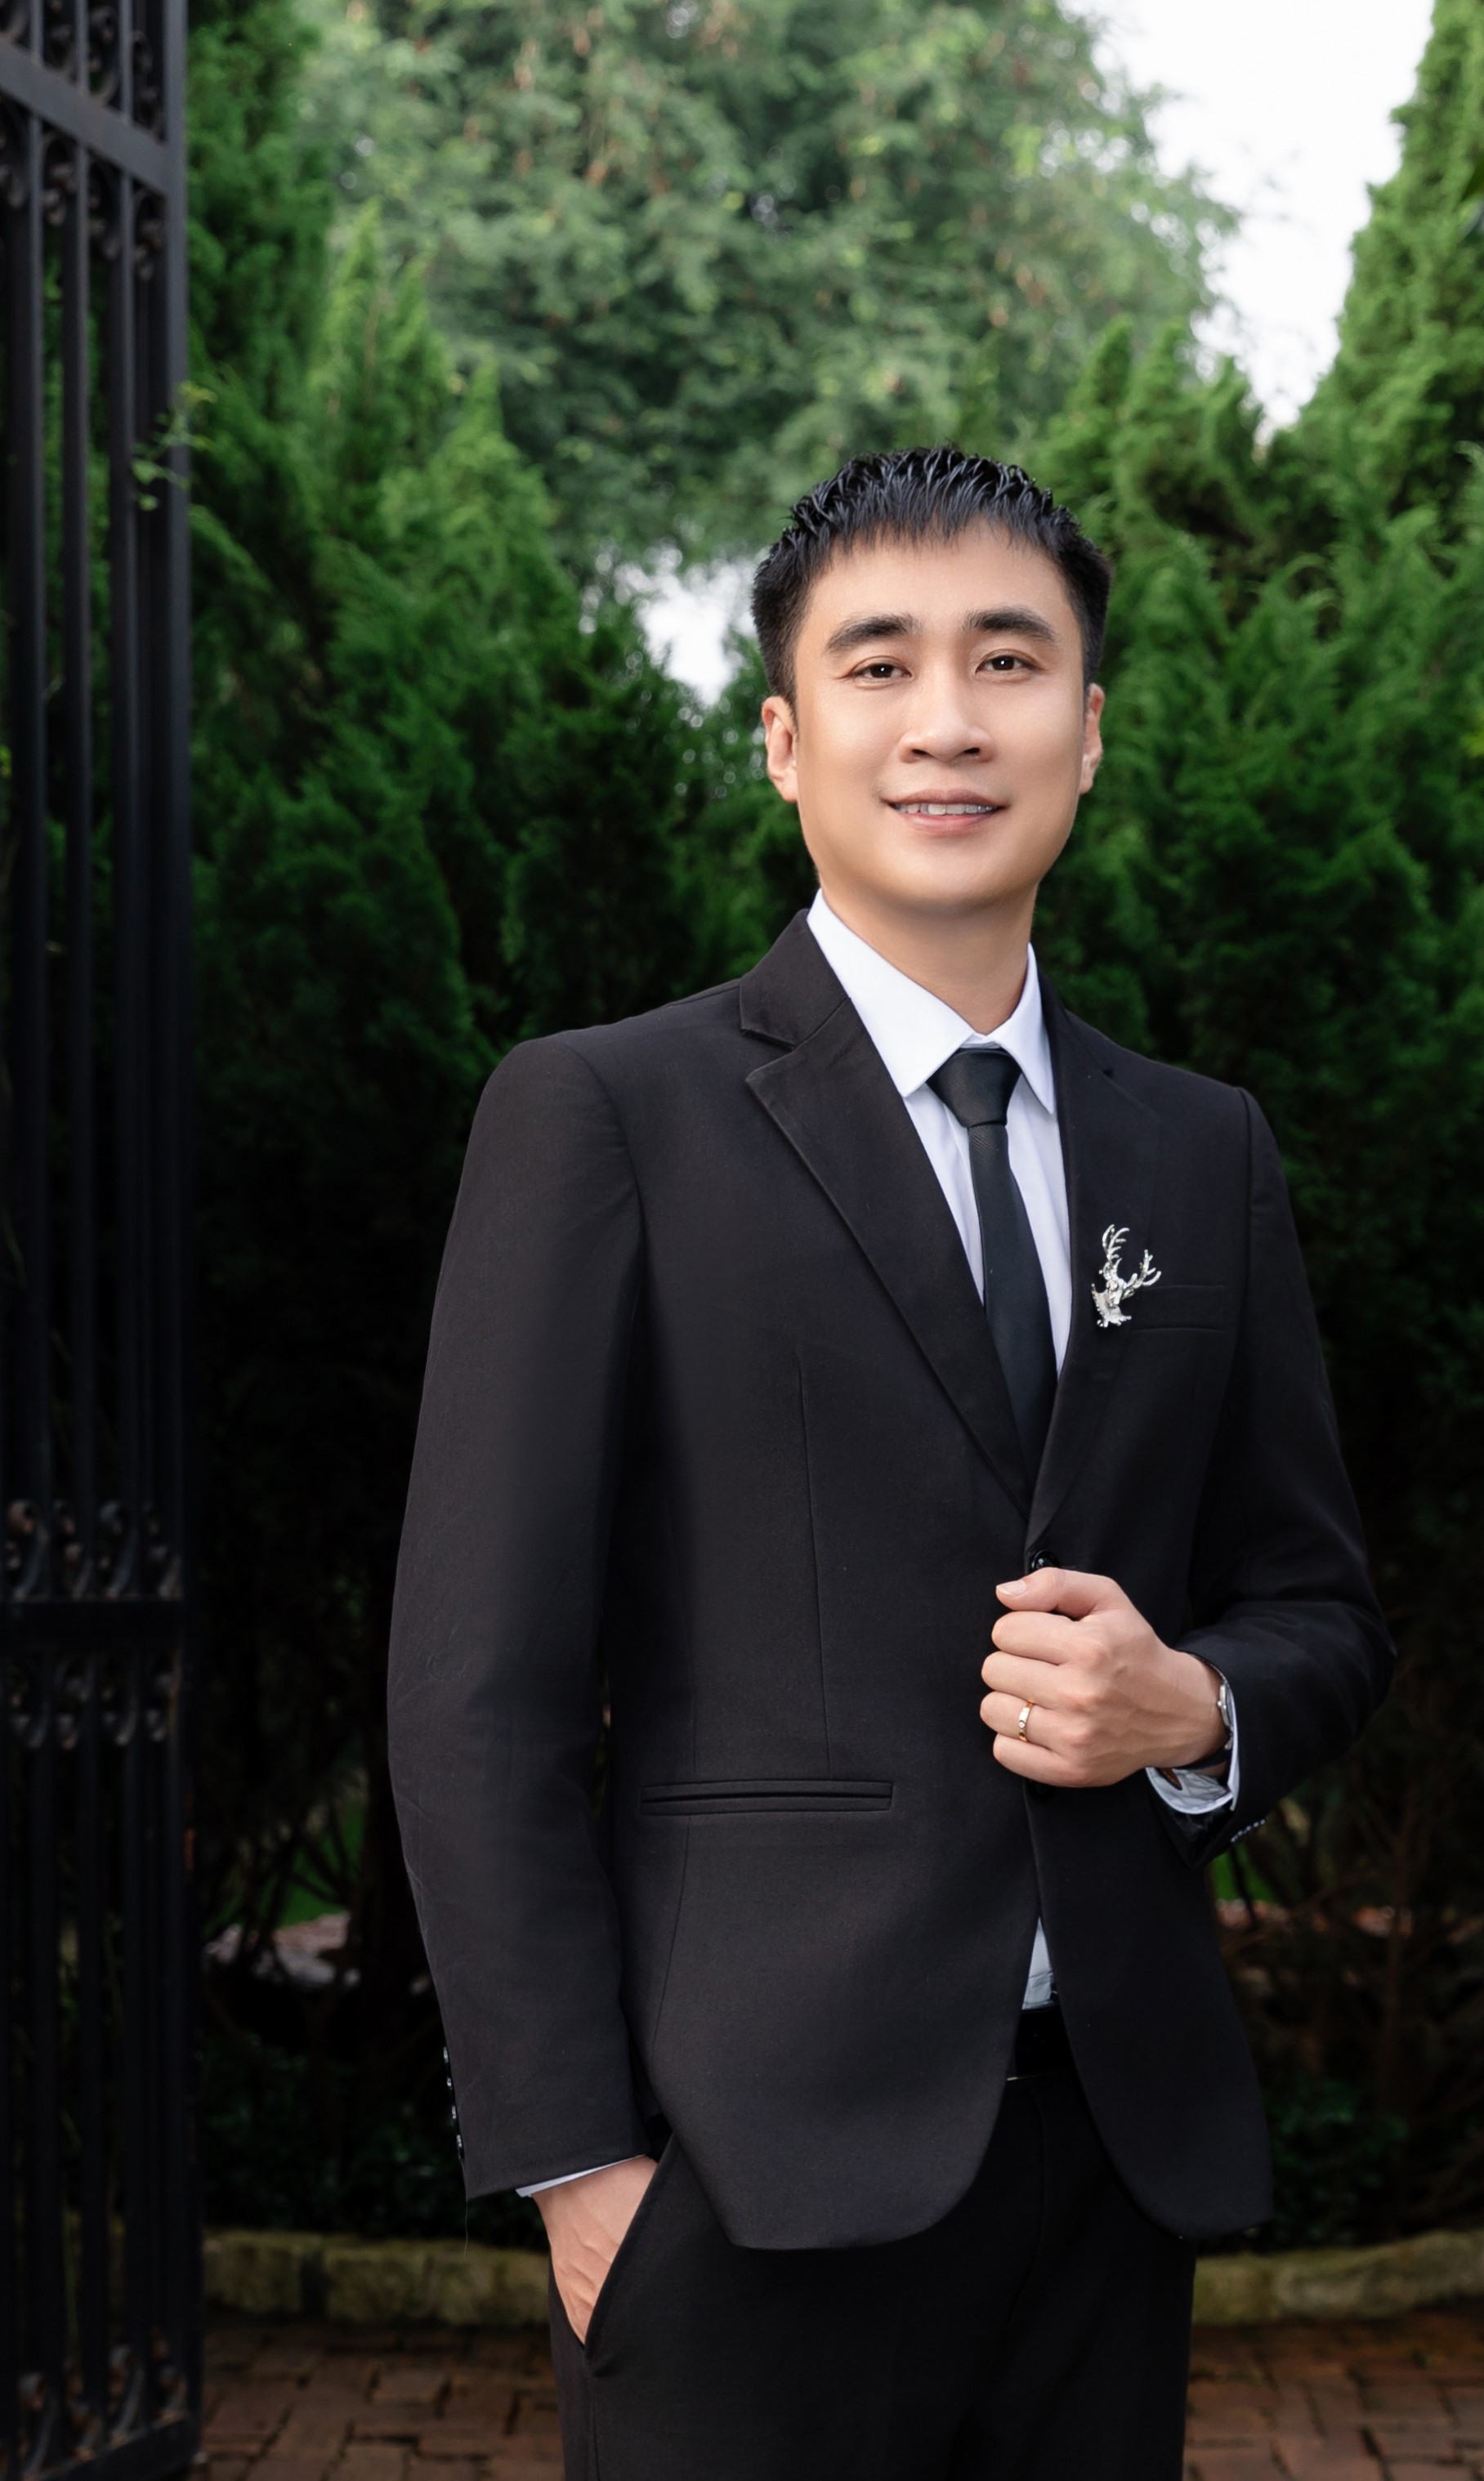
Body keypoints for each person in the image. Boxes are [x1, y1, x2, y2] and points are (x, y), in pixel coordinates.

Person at [388, 446, 1392, 2479]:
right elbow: (479, 1689)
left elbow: (1319, 1608)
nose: (948, 720)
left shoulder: (1200, 1149)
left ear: (1086, 732)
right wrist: (579, 2166)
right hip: (733, 2176)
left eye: (1008, 661)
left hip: (1113, 2157)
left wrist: (1193, 1709)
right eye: (879, 665)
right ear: (786, 741)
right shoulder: (608, 1117)